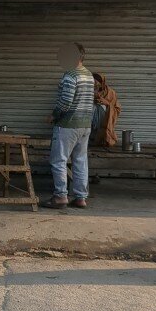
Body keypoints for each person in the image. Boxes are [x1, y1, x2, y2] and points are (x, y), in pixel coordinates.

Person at [42, 42, 95, 210]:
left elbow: (65, 102)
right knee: (80, 161)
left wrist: (53, 116)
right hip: (85, 125)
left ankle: (60, 196)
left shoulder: (71, 75)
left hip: (68, 125)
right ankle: (80, 198)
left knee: (59, 160)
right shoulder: (89, 75)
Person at [91, 72, 121, 147]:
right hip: (90, 121)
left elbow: (116, 108)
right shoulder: (87, 90)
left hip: (103, 120)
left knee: (101, 107)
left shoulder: (110, 92)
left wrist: (106, 103)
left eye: (97, 82)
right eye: (93, 82)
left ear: (102, 82)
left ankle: (102, 138)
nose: (95, 84)